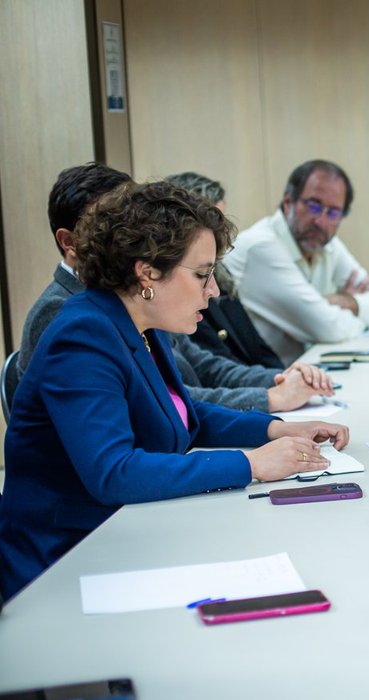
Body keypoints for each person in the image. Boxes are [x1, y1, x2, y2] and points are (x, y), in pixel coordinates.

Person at [0, 181, 349, 601]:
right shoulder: (83, 335)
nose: (214, 290)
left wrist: (275, 430)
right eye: (202, 274)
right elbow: (115, 472)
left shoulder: (140, 321)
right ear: (147, 271)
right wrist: (252, 463)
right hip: (64, 564)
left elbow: (183, 414)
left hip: (129, 533)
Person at [17, 164, 332, 414]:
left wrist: (277, 380)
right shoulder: (64, 314)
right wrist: (269, 400)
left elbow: (198, 371)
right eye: (110, 225)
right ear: (69, 242)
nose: (132, 236)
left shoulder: (131, 297)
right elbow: (156, 414)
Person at [222, 159, 369, 363]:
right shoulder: (261, 247)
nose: (321, 221)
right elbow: (329, 329)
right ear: (288, 203)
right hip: (257, 380)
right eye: (314, 206)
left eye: (333, 212)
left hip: (304, 372)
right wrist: (346, 315)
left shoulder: (328, 245)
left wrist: (344, 302)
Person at [166, 172, 286, 369]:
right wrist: (275, 387)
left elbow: (255, 344)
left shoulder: (221, 274)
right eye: (212, 226)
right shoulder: (181, 289)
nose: (220, 235)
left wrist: (284, 375)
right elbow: (214, 368)